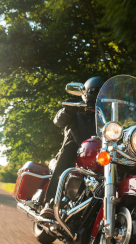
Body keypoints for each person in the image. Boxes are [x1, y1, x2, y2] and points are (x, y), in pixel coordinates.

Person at [40, 76, 105, 219]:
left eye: (103, 94)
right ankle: (50, 203)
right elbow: (58, 121)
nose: (99, 96)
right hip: (74, 156)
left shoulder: (108, 121)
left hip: (99, 160)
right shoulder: (76, 111)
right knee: (70, 146)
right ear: (87, 94)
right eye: (96, 92)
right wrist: (67, 110)